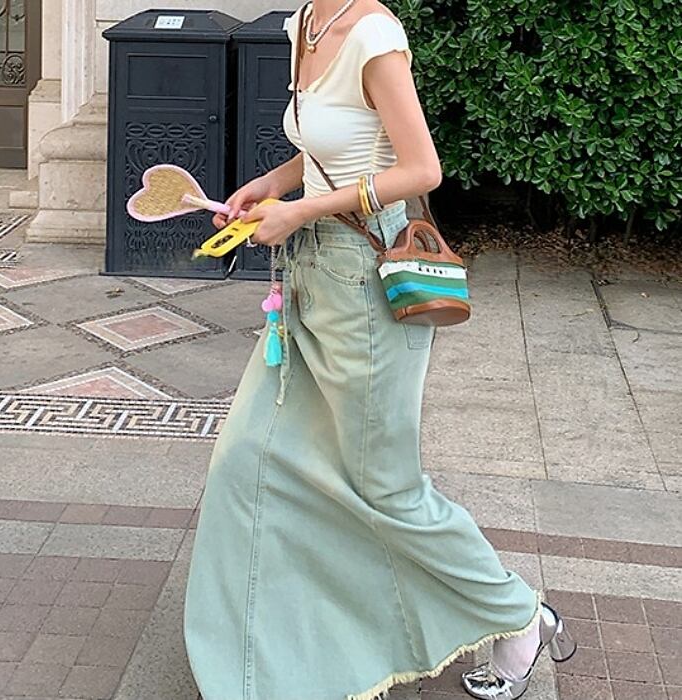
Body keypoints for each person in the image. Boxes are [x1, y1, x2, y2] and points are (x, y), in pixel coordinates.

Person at [183, 1, 576, 699]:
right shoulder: (304, 21)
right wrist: (274, 184)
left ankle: (520, 615)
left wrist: (301, 210)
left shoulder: (373, 34)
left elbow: (421, 169)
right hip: (310, 277)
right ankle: (269, 659)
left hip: (364, 282)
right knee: (249, 457)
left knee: (385, 487)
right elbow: (334, 145)